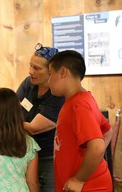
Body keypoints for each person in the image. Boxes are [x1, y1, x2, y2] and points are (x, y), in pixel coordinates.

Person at [0, 42, 64, 192]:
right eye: (30, 66)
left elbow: (34, 128)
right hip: (24, 151)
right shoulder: (29, 83)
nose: (30, 71)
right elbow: (11, 109)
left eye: (37, 68)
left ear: (51, 72)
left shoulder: (58, 96)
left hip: (48, 157)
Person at [48, 50, 113, 192]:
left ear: (63, 72)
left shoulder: (79, 105)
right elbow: (107, 131)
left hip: (89, 187)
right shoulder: (82, 100)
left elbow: (97, 147)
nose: (49, 80)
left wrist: (79, 179)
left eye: (50, 74)